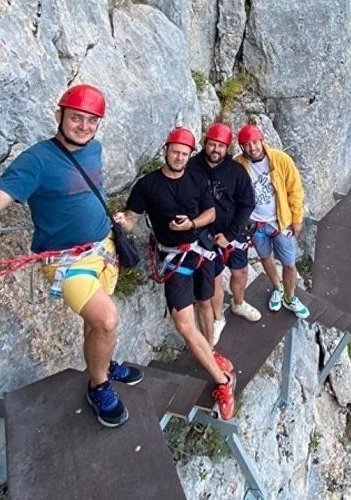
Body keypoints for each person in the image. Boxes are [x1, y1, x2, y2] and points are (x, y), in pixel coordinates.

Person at [0, 84, 144, 428]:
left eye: (91, 121)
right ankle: (99, 385)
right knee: (107, 319)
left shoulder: (94, 149)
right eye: (77, 118)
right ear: (59, 115)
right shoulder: (36, 161)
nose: (83, 126)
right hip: (68, 262)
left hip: (103, 249)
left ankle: (104, 361)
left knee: (95, 323)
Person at [114, 127, 236, 420]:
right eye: (176, 152)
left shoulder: (197, 178)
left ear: (189, 155)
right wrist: (122, 221)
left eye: (185, 153)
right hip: (175, 257)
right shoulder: (147, 185)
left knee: (205, 303)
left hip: (200, 249)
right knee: (183, 324)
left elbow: (211, 214)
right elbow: (132, 217)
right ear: (165, 150)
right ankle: (222, 381)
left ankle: (211, 352)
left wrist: (190, 224)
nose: (180, 157)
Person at [187, 123, 260, 346]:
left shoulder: (236, 172)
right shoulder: (192, 167)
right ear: (205, 143)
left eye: (220, 146)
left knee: (240, 272)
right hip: (204, 237)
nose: (215, 149)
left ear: (226, 148)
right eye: (212, 144)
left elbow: (247, 204)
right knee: (215, 280)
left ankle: (238, 303)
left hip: (232, 232)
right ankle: (218, 318)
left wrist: (230, 234)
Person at [233, 124, 309, 319]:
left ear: (262, 140)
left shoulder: (280, 160)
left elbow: (295, 189)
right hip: (255, 224)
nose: (252, 148)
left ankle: (290, 298)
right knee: (265, 257)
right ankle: (277, 288)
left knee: (289, 263)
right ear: (241, 147)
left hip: (279, 222)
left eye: (255, 142)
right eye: (246, 145)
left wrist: (297, 218)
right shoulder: (238, 165)